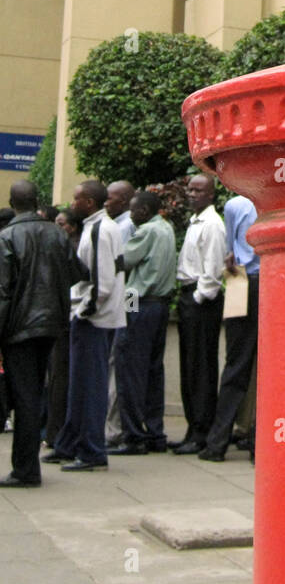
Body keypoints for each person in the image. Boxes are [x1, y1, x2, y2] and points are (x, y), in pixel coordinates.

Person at [0, 181, 83, 486]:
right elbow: (78, 272)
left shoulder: (7, 236)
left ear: (12, 202)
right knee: (33, 393)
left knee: (24, 398)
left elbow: (3, 292)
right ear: (37, 201)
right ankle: (27, 465)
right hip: (51, 324)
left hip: (19, 329)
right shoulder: (56, 234)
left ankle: (25, 469)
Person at [44, 180, 125, 471]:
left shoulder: (101, 230)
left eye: (77, 199)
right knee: (79, 386)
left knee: (89, 387)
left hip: (93, 318)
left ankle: (91, 452)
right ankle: (70, 443)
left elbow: (102, 282)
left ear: (89, 203)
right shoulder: (97, 226)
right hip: (90, 316)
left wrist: (83, 312)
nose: (72, 203)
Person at [112, 192, 176, 455]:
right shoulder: (167, 228)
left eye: (134, 209)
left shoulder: (146, 231)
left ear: (146, 209)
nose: (131, 214)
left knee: (130, 370)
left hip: (137, 301)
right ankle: (154, 432)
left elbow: (124, 261)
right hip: (160, 304)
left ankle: (133, 436)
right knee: (153, 371)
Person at [199, 193, 259, 462]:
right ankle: (257, 443)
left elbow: (229, 254)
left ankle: (217, 442)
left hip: (238, 281)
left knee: (235, 364)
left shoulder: (234, 206)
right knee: (265, 366)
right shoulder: (268, 198)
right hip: (265, 278)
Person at [173, 175, 225, 455]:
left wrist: (198, 296)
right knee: (189, 369)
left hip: (198, 301)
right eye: (190, 189)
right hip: (187, 298)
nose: (192, 194)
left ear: (211, 195)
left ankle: (201, 431)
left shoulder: (213, 225)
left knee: (200, 369)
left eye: (198, 190)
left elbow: (212, 269)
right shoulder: (195, 223)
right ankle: (193, 428)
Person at [44, 210, 82, 448]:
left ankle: (58, 434)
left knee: (62, 376)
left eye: (62, 224)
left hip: (78, 315)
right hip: (68, 315)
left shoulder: (77, 246)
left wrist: (131, 312)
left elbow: (128, 282)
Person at [104, 181, 136, 449]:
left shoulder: (124, 228)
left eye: (110, 198)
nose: (106, 202)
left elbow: (127, 277)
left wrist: (127, 313)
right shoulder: (124, 226)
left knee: (117, 366)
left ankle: (114, 429)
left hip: (121, 308)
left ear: (124, 200)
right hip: (124, 308)